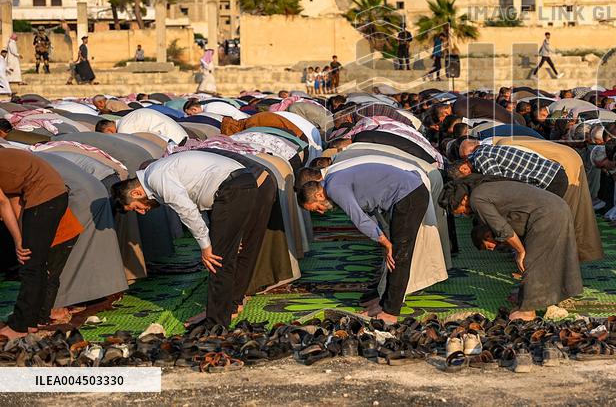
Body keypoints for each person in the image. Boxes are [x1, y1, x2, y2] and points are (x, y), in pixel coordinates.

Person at [111, 151, 275, 328]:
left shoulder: (156, 178)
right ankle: (231, 307)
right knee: (234, 251)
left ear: (136, 193)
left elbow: (188, 211)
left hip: (231, 188)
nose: (142, 212)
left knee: (217, 260)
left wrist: (206, 247)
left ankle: (216, 323)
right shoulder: (157, 173)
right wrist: (213, 238)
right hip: (244, 182)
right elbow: (197, 208)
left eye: (136, 207)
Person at [295, 163, 431, 324]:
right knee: (393, 255)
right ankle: (383, 305)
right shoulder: (333, 181)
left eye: (316, 208)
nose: (321, 212)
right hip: (408, 193)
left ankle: (391, 312)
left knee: (398, 257)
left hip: (410, 195)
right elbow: (369, 211)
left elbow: (359, 218)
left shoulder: (334, 188)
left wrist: (386, 243)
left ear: (319, 195)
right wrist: (384, 239)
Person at [441, 178, 582, 320]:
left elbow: (503, 229)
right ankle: (546, 302)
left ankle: (528, 311)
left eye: (460, 212)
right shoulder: (482, 189)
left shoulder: (476, 199)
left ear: (463, 200)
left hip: (547, 214)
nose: (463, 215)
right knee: (547, 258)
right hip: (555, 207)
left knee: (531, 261)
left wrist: (520, 252)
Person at [0, 150, 83, 340]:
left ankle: (20, 325)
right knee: (34, 262)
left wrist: (18, 241)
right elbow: (14, 201)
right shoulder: (10, 169)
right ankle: (31, 321)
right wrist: (22, 237)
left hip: (45, 195)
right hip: (51, 193)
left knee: (31, 265)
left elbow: (3, 204)